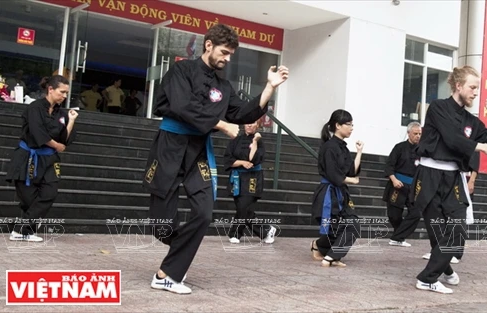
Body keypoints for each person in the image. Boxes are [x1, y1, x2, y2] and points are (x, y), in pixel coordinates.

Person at [143, 23, 289, 294]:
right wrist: (221, 125)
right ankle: (176, 257)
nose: (227, 58)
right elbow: (181, 105)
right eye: (224, 52)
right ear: (208, 45)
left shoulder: (223, 85)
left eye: (231, 54)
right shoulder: (181, 70)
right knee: (161, 226)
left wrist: (269, 88)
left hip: (198, 150)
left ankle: (167, 274)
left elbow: (243, 112)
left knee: (204, 213)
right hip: (170, 146)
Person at [412, 65, 487, 294]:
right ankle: (438, 272)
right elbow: (451, 137)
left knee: (457, 228)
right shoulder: (437, 108)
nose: (476, 92)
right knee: (437, 231)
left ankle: (429, 276)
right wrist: (477, 145)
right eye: (472, 87)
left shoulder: (470, 121)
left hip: (453, 177)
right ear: (458, 86)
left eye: (478, 88)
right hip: (429, 175)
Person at [5, 75, 78, 242]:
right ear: (50, 89)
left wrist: (71, 120)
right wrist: (57, 146)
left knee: (49, 194)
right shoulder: (35, 108)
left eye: (67, 93)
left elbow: (65, 139)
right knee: (29, 199)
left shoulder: (62, 113)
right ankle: (25, 232)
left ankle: (20, 230)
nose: (65, 96)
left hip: (49, 160)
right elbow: (39, 135)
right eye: (62, 92)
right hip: (28, 158)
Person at [310, 109, 363, 267]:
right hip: (328, 194)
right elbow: (334, 175)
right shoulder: (329, 147)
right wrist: (352, 181)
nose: (352, 128)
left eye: (352, 124)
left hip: (340, 193)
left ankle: (323, 249)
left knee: (352, 224)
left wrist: (359, 152)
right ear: (338, 125)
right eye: (348, 124)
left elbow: (351, 171)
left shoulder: (343, 148)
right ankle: (330, 256)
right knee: (335, 228)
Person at [224, 120, 277, 244]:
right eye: (247, 122)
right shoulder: (235, 140)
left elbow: (253, 159)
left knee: (244, 206)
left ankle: (235, 233)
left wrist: (254, 141)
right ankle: (266, 230)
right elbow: (228, 159)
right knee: (243, 208)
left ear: (257, 125)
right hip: (237, 177)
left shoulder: (259, 142)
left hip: (253, 177)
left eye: (253, 123)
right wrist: (242, 162)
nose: (249, 125)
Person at [384, 122, 422, 247]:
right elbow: (389, 165)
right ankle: (398, 237)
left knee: (416, 213)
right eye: (415, 133)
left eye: (420, 134)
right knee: (394, 215)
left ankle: (398, 237)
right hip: (398, 184)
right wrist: (394, 180)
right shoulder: (399, 147)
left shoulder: (422, 151)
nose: (418, 136)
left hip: (414, 187)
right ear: (408, 133)